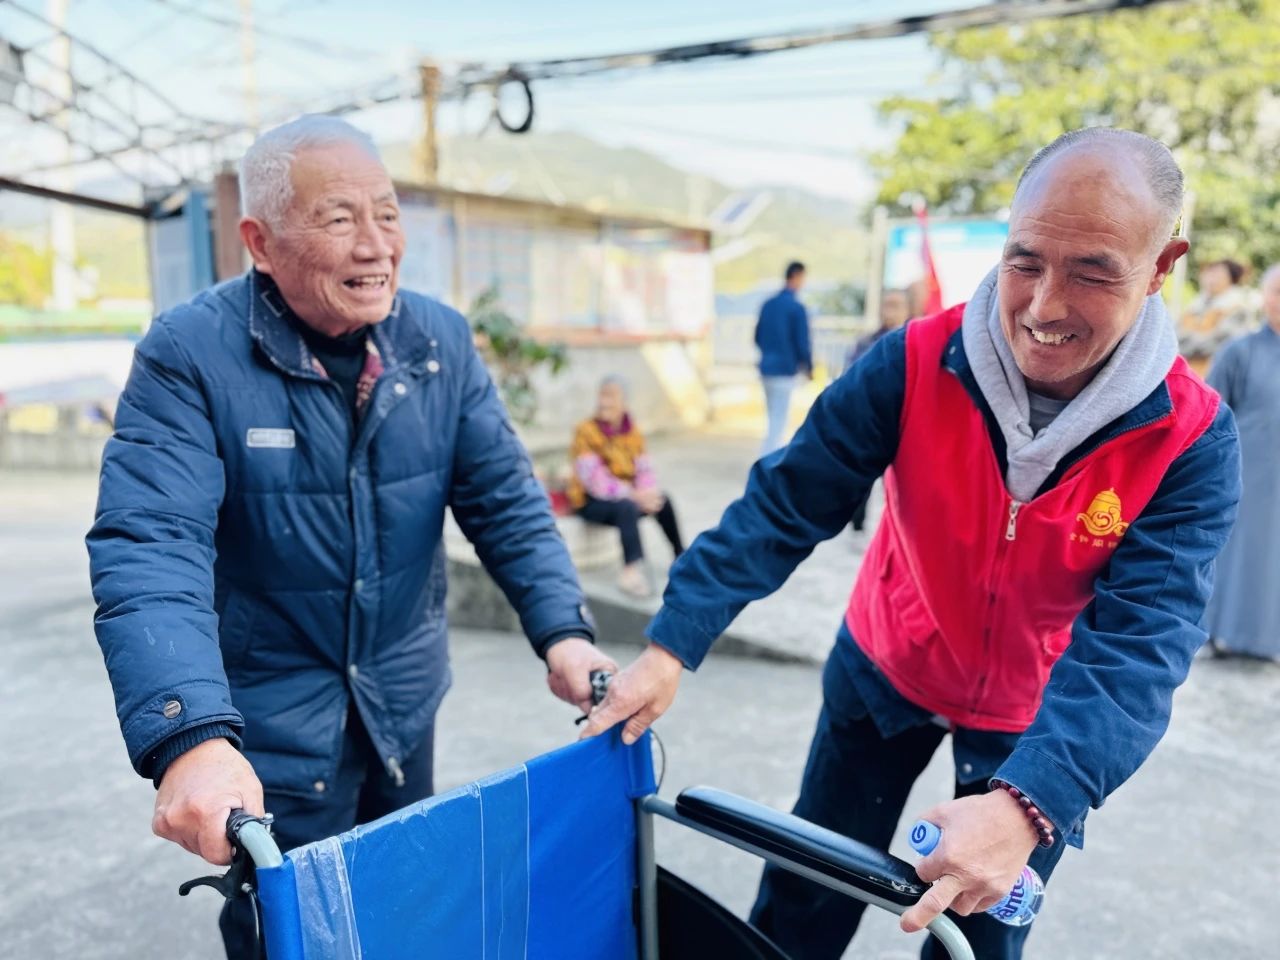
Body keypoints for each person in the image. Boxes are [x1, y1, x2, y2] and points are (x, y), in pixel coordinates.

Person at [583, 128, 1240, 960]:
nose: (1043, 305)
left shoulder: (1189, 438)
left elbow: (1143, 642)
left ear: (1162, 266)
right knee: (804, 900)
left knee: (981, 935)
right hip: (886, 669)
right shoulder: (917, 360)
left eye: (1094, 271)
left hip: (1034, 715)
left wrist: (1032, 802)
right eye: (1027, 260)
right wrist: (673, 641)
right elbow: (789, 500)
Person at [85, 116, 615, 959]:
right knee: (288, 937)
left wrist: (565, 633)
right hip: (272, 736)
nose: (377, 246)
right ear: (260, 242)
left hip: (402, 708)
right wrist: (190, 739)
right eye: (339, 219)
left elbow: (505, 499)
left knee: (409, 914)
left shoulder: (438, 342)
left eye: (387, 214)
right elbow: (151, 545)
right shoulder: (188, 354)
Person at [1203, 264, 1280, 661]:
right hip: (1248, 477)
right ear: (1266, 298)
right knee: (1237, 557)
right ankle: (1219, 633)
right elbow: (1208, 419)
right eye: (1278, 292)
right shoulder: (1240, 352)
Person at [568, 376, 685, 599]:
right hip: (590, 501)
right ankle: (631, 571)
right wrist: (635, 495)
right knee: (626, 508)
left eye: (611, 396)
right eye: (602, 395)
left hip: (628, 497)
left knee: (663, 500)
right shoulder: (585, 431)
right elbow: (595, 481)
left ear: (624, 402)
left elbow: (644, 469)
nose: (605, 402)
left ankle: (681, 557)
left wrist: (648, 493)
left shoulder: (633, 432)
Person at [845, 288, 912, 532]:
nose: (890, 309)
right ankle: (857, 523)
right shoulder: (866, 342)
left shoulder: (916, 344)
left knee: (898, 486)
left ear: (907, 309)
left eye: (896, 304)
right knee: (862, 476)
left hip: (904, 425)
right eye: (887, 304)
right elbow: (849, 380)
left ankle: (895, 528)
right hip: (869, 422)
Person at [755, 261, 812, 456]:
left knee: (772, 418)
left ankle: (768, 459)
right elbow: (802, 342)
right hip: (785, 370)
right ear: (797, 276)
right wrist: (809, 367)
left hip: (766, 368)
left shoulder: (768, 304)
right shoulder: (796, 308)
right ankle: (769, 462)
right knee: (779, 421)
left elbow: (757, 336)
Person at [1178, 258, 1255, 376]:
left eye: (1217, 274)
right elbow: (1174, 335)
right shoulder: (1194, 306)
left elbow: (1218, 343)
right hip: (1187, 375)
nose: (1211, 278)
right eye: (1209, 273)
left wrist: (1181, 346)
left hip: (1217, 377)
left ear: (1231, 279)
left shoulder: (1238, 309)